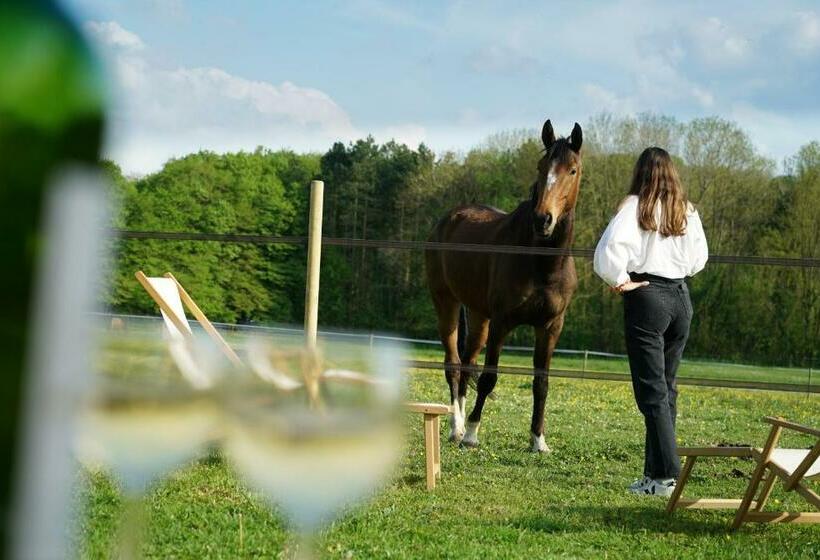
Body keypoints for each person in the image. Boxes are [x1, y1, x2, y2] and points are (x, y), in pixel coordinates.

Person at [593, 147, 708, 497]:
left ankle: (669, 470)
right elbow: (699, 258)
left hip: (647, 297)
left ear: (641, 173)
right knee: (666, 389)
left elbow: (607, 251)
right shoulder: (685, 210)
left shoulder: (635, 206)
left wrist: (620, 280)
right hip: (681, 299)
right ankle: (657, 479)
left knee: (652, 392)